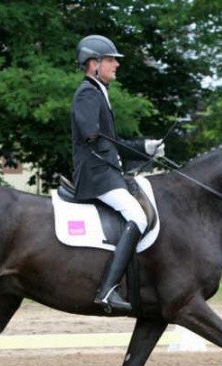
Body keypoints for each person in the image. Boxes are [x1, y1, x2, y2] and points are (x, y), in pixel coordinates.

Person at [71, 34, 165, 313]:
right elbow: (94, 137)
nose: (116, 65)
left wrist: (145, 148)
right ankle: (108, 290)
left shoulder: (99, 91)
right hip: (97, 175)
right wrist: (135, 149)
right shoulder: (88, 92)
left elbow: (108, 141)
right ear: (93, 64)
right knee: (137, 215)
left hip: (107, 171)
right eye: (111, 60)